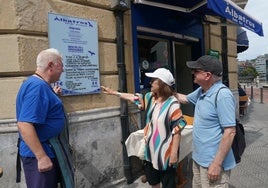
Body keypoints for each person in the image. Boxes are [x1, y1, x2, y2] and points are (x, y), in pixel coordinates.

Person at [101, 68, 186, 188]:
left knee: (168, 184)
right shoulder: (150, 98)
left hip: (166, 154)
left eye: (153, 81)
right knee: (153, 182)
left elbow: (177, 129)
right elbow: (134, 98)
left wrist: (173, 154)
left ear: (162, 84)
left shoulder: (173, 103)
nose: (150, 83)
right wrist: (114, 93)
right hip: (150, 153)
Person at [177, 55, 236, 188]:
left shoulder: (222, 95)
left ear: (207, 75)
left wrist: (217, 164)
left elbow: (230, 132)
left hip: (212, 163)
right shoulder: (202, 91)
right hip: (198, 159)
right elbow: (185, 99)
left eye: (196, 71)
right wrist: (166, 90)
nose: (193, 73)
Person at [16, 48, 65, 188]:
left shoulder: (40, 85)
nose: (63, 70)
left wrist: (54, 96)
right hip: (39, 154)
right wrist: (42, 157)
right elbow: (24, 124)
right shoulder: (37, 87)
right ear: (50, 66)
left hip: (45, 150)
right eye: (61, 65)